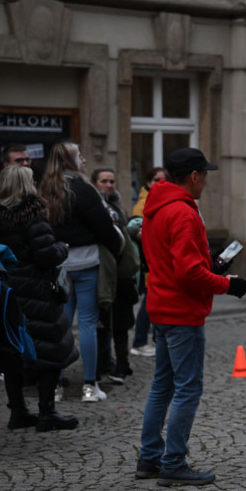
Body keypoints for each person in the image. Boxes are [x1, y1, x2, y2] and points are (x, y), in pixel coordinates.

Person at [137, 147, 246, 487]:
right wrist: (226, 284)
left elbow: (174, 261)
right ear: (193, 176)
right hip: (182, 311)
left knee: (162, 385)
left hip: (160, 305)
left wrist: (210, 264)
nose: (206, 182)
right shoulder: (184, 213)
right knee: (187, 388)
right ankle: (173, 460)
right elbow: (188, 273)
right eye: (205, 175)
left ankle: (149, 457)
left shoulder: (155, 207)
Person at [0, 165, 80, 432]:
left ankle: (18, 412)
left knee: (12, 349)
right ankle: (47, 413)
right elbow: (46, 253)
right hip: (37, 290)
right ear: (28, 184)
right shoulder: (33, 214)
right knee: (49, 348)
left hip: (7, 288)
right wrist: (62, 249)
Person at [40, 142, 124, 403]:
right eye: (79, 156)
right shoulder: (82, 189)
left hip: (58, 265)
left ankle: (55, 386)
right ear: (69, 161)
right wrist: (119, 247)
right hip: (86, 263)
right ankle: (89, 386)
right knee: (88, 323)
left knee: (60, 325)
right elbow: (103, 227)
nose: (85, 160)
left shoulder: (45, 189)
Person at [92, 167, 139, 384]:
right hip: (102, 271)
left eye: (111, 181)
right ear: (95, 183)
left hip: (121, 273)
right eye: (104, 181)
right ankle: (102, 362)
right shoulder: (93, 206)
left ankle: (122, 364)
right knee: (101, 323)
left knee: (121, 324)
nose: (109, 185)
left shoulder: (118, 207)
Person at [130, 168, 166, 357]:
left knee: (154, 302)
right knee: (150, 302)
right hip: (150, 262)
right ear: (148, 182)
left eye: (163, 180)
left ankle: (152, 339)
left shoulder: (158, 201)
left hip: (156, 261)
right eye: (156, 180)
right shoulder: (142, 205)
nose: (160, 183)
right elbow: (141, 235)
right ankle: (140, 341)